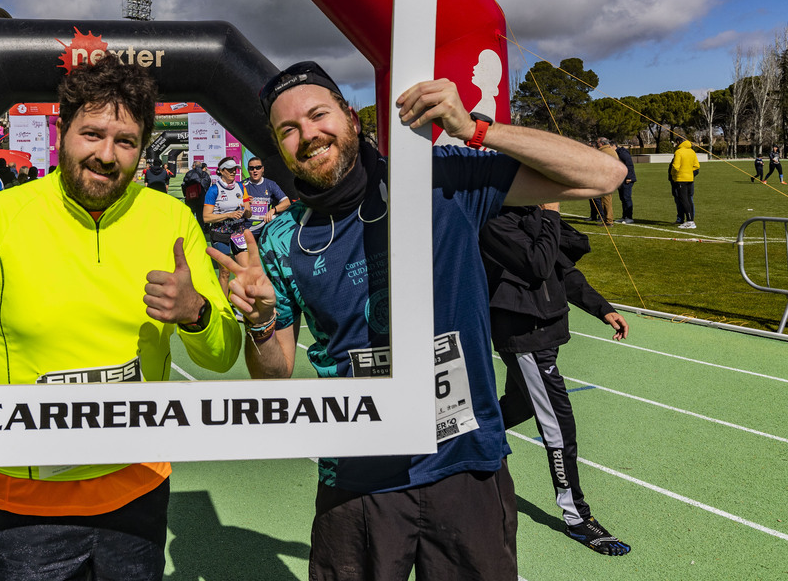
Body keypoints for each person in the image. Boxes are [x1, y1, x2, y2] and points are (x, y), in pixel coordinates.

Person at [209, 61, 626, 581]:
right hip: (357, 480)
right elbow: (273, 373)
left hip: (465, 464)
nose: (307, 135)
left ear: (351, 118)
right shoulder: (279, 239)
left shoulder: (439, 178)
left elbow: (605, 175)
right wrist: (260, 323)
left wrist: (475, 128)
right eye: (287, 130)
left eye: (318, 115)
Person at [0, 54, 241, 581]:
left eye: (127, 141)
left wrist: (196, 313)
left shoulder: (172, 219)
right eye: (92, 133)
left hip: (138, 493)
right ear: (63, 129)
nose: (107, 155)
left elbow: (223, 354)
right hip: (28, 507)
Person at [480, 202, 632, 557]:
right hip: (525, 338)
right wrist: (550, 215)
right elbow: (537, 265)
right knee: (559, 427)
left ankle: (458, 441)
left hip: (545, 334)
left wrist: (602, 308)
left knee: (518, 406)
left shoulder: (531, 215)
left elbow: (562, 271)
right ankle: (577, 517)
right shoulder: (496, 221)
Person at [202, 156, 251, 256]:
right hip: (220, 234)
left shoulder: (241, 187)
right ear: (221, 171)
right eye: (230, 170)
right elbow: (206, 218)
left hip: (239, 233)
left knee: (245, 267)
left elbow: (248, 215)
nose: (233, 172)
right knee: (225, 271)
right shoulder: (214, 190)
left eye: (234, 169)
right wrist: (229, 215)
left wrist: (247, 210)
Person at [243, 156, 290, 238]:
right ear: (248, 170)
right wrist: (244, 202)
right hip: (247, 230)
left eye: (258, 167)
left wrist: (273, 210)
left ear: (262, 169)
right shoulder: (242, 185)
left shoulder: (270, 184)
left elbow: (287, 202)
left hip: (265, 230)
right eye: (252, 168)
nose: (255, 171)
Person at [670, 139, 700, 229]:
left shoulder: (679, 152)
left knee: (684, 200)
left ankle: (690, 221)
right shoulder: (692, 152)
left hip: (680, 179)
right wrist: (690, 173)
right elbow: (696, 166)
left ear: (679, 142)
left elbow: (675, 166)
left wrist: (673, 175)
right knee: (689, 199)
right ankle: (690, 220)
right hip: (690, 179)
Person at [589, 137, 619, 226]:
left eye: (598, 143)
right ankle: (607, 219)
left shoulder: (603, 152)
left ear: (601, 143)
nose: (597, 144)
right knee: (606, 200)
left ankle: (609, 221)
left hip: (606, 179)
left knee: (606, 201)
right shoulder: (611, 151)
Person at [181, 160, 211, 227]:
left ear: (194, 166)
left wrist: (185, 194)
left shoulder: (189, 173)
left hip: (191, 197)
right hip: (202, 197)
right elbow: (207, 185)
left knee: (190, 215)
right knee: (201, 215)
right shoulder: (205, 174)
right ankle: (202, 230)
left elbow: (184, 185)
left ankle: (189, 229)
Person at [615, 143, 636, 223]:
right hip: (621, 179)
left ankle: (629, 217)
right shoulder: (617, 153)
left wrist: (629, 177)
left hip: (627, 179)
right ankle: (624, 216)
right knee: (623, 198)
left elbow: (629, 164)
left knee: (627, 198)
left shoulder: (623, 153)